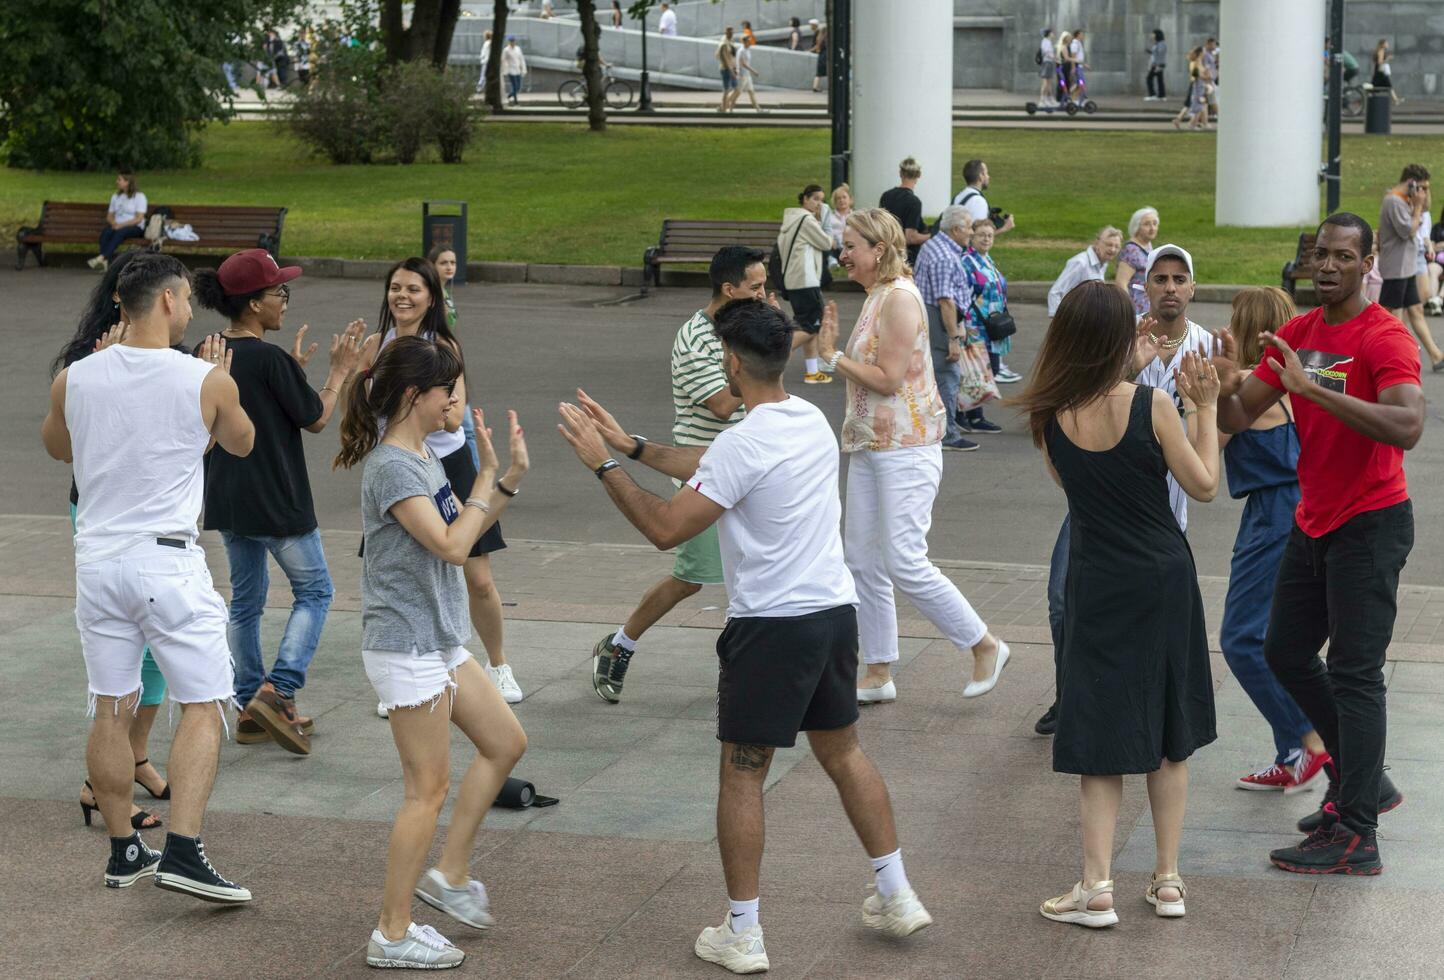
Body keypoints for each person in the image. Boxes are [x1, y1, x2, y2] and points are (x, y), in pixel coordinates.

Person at [558, 299, 934, 975]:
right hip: (832, 616)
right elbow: (715, 462)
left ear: (732, 362)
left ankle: (744, 932)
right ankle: (897, 893)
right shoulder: (807, 424)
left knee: (743, 773)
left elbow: (668, 527)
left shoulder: (744, 442)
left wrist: (602, 465)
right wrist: (633, 445)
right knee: (844, 753)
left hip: (772, 630)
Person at [42, 252, 257, 903]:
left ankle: (123, 848)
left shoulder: (75, 378)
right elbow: (241, 441)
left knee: (111, 704)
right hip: (166, 560)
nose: (190, 311)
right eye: (188, 300)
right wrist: (222, 385)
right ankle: (185, 851)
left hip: (98, 560)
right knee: (205, 699)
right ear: (167, 301)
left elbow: (60, 446)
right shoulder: (201, 378)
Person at [1214, 212, 1423, 877]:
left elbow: (1409, 424)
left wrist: (1314, 392)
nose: (1326, 267)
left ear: (1368, 266)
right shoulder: (1300, 333)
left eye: (1341, 257)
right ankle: (1368, 782)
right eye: (1318, 257)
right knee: (1283, 649)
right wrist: (1219, 391)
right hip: (1314, 520)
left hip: (1371, 523)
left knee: (1358, 673)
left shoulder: (1383, 336)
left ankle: (1357, 832)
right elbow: (1240, 415)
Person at [1016, 281, 1220, 928]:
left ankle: (1095, 886)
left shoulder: (1048, 419)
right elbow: (1205, 486)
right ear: (1117, 340)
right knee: (1169, 733)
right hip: (1162, 577)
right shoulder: (1157, 406)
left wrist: (1119, 365)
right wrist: (1206, 408)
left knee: (1101, 730)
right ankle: (1167, 882)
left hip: (1097, 578)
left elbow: (1079, 491)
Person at [334, 337, 529, 970]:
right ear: (417, 396)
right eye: (449, 389)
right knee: (426, 791)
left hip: (440, 640)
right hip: (405, 644)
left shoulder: (420, 454)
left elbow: (464, 532)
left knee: (506, 742)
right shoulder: (393, 464)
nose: (457, 398)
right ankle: (391, 933)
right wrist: (484, 485)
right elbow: (450, 545)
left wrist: (503, 486)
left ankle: (447, 872)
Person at [816, 209, 1008, 704]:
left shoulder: (899, 298)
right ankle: (878, 671)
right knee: (861, 559)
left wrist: (833, 356)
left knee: (903, 559)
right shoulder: (877, 296)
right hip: (870, 445)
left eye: (851, 245)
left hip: (907, 447)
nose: (843, 254)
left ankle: (983, 644)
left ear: (878, 249)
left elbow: (889, 379)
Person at [191, 250, 366, 755]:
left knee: (246, 602)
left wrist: (293, 371)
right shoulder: (268, 357)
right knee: (316, 592)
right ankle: (280, 687)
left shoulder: (207, 349)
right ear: (252, 303)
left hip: (226, 497)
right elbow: (315, 417)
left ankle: (250, 705)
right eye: (279, 293)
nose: (285, 301)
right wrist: (341, 372)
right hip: (278, 499)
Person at [1036, 244, 1214, 736]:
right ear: (1145, 286)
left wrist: (1212, 405)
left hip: (1164, 511)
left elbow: (1208, 464)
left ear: (1193, 287)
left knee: (1145, 610)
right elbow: (1091, 411)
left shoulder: (1207, 349)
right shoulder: (1124, 341)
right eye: (1161, 278)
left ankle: (1144, 699)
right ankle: (1072, 691)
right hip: (1103, 499)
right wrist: (1131, 367)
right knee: (1062, 599)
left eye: (1181, 279)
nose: (1170, 288)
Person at [590, 247, 768, 703]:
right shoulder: (694, 340)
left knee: (751, 576)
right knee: (692, 577)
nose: (767, 296)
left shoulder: (747, 328)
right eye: (757, 288)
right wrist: (760, 361)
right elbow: (725, 403)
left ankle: (746, 672)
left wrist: (785, 340)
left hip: (749, 467)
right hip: (699, 470)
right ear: (730, 290)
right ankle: (619, 644)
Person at [358, 259, 524, 707]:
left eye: (414, 288)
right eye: (395, 287)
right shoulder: (377, 345)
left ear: (432, 297)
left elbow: (453, 412)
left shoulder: (441, 345)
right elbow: (361, 408)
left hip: (448, 464)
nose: (403, 296)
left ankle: (498, 663)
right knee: (400, 568)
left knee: (478, 576)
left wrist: (416, 396)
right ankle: (403, 667)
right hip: (400, 462)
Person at [53, 251, 170, 833]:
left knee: (155, 656)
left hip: (153, 516)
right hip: (105, 516)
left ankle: (135, 758)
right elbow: (66, 444)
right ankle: (100, 783)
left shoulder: (165, 355)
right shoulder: (88, 360)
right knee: (128, 654)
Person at [1217, 287, 1332, 793]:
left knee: (1242, 638)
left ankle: (1306, 741)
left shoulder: (1244, 385)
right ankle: (1295, 751)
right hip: (1309, 505)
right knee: (1283, 638)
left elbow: (1202, 440)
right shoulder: (1299, 379)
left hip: (1273, 512)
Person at [914, 206, 979, 453]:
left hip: (931, 318)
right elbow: (945, 301)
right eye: (969, 227)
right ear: (955, 229)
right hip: (940, 323)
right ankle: (947, 434)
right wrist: (953, 337)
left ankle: (939, 429)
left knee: (936, 376)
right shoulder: (944, 256)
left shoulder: (934, 245)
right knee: (947, 377)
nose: (971, 232)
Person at [1378, 164, 1444, 371]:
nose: (1423, 192)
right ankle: (1392, 357)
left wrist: (1421, 198)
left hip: (1406, 268)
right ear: (1410, 183)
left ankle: (1436, 356)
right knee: (1390, 316)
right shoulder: (1393, 201)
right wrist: (1416, 207)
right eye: (1421, 187)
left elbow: (1426, 208)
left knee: (1415, 310)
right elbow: (1407, 230)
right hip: (1396, 267)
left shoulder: (1408, 200)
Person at [427, 245, 481, 468]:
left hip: (453, 362)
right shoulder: (431, 296)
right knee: (465, 429)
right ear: (432, 266)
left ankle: (477, 479)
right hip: (442, 367)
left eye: (453, 262)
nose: (449, 267)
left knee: (466, 430)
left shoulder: (446, 292)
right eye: (443, 263)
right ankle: (478, 482)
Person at [779, 185, 836, 383]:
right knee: (810, 326)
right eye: (815, 199)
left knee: (810, 324)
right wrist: (826, 219)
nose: (819, 203)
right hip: (805, 280)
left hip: (795, 279)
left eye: (821, 200)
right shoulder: (806, 220)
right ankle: (775, 356)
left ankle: (812, 372)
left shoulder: (791, 219)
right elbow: (827, 243)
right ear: (804, 199)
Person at [963, 218, 1021, 386]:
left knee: (990, 372)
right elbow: (963, 297)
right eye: (981, 235)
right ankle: (970, 413)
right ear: (972, 237)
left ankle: (974, 412)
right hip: (976, 327)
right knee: (976, 375)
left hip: (993, 325)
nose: (986, 239)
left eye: (990, 235)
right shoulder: (967, 262)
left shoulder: (988, 260)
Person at [1047, 227, 1122, 317]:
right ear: (1097, 242)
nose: (1113, 249)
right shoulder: (1080, 263)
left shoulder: (1102, 263)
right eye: (1109, 245)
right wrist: (1061, 321)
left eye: (1117, 246)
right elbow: (1055, 293)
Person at [88, 172, 148, 272]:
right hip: (117, 226)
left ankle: (102, 257)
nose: (117, 182)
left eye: (119, 180)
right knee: (106, 232)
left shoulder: (139, 197)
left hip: (135, 227)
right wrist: (114, 224)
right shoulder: (116, 196)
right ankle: (105, 262)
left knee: (120, 232)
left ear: (127, 182)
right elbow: (109, 216)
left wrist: (121, 225)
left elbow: (139, 218)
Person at [879, 157, 931, 265]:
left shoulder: (886, 196)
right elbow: (910, 237)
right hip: (905, 259)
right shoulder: (914, 202)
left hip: (886, 254)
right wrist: (931, 236)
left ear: (900, 173)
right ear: (919, 175)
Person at [952, 159, 1015, 235]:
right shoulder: (978, 201)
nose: (989, 177)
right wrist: (1005, 228)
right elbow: (978, 237)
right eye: (986, 173)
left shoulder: (959, 196)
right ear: (980, 176)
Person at [1117, 207, 1160, 315]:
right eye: (1147, 224)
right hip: (1135, 308)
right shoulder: (1131, 249)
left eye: (1155, 224)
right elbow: (1121, 283)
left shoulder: (1148, 246)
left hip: (1147, 305)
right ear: (1136, 227)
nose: (1152, 228)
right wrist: (1128, 309)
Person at [733, 33, 764, 112]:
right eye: (749, 41)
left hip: (747, 75)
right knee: (737, 92)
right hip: (742, 75)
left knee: (751, 92)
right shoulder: (741, 51)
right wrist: (753, 71)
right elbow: (743, 64)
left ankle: (758, 109)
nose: (750, 42)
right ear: (744, 42)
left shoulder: (747, 49)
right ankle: (725, 106)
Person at [823, 183, 852, 262]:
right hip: (835, 247)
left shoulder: (855, 216)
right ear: (835, 201)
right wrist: (831, 239)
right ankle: (832, 260)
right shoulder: (829, 217)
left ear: (850, 199)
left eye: (844, 197)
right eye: (838, 198)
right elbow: (826, 231)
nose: (841, 200)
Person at [1372, 38, 1401, 105]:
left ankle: (1396, 99)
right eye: (1386, 43)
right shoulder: (1381, 51)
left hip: (1378, 71)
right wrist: (1388, 59)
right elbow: (1380, 62)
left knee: (1376, 87)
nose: (1387, 44)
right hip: (1381, 72)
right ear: (1383, 44)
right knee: (1387, 85)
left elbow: (1376, 63)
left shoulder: (1379, 51)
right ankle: (1396, 99)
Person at [716, 27, 739, 113]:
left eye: (732, 33)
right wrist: (732, 71)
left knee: (736, 89)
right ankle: (724, 110)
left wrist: (735, 68)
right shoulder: (724, 44)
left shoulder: (731, 41)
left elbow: (732, 57)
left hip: (732, 68)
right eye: (729, 33)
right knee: (726, 90)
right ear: (726, 33)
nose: (731, 34)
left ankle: (722, 106)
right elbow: (725, 60)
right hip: (726, 69)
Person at [501, 37, 527, 105]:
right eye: (511, 41)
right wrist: (504, 69)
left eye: (513, 41)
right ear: (509, 42)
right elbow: (503, 60)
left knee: (518, 87)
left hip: (518, 70)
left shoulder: (518, 49)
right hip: (511, 70)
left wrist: (523, 68)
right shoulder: (506, 50)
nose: (512, 42)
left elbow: (521, 59)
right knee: (514, 85)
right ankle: (516, 101)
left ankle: (509, 96)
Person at [1038, 29, 1058, 107]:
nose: (1053, 34)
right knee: (1045, 82)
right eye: (1052, 33)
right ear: (1049, 34)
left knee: (1049, 82)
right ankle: (1042, 100)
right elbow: (1047, 52)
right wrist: (1054, 58)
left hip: (1049, 62)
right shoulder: (1045, 41)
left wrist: (1054, 57)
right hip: (1047, 62)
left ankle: (1049, 99)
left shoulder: (1048, 41)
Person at [1145, 29, 1167, 100]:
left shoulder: (1161, 43)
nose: (1152, 35)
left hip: (1157, 64)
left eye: (1153, 34)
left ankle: (1152, 95)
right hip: (1158, 64)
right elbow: (1157, 53)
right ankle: (1161, 95)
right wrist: (1150, 52)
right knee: (1159, 80)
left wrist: (1156, 64)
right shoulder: (1158, 43)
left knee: (1149, 78)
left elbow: (1160, 54)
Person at [1067, 29, 1087, 102]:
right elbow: (1073, 56)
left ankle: (1076, 98)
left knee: (1080, 84)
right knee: (1081, 84)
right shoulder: (1075, 44)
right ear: (1078, 35)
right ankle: (1073, 98)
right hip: (1077, 68)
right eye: (1082, 34)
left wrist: (1084, 64)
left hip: (1080, 67)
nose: (1083, 36)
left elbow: (1079, 57)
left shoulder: (1078, 43)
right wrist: (1073, 67)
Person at [811, 24, 827, 93]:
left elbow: (817, 47)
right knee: (830, 71)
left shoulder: (819, 38)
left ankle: (815, 87)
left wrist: (810, 50)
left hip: (821, 55)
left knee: (819, 73)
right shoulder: (826, 38)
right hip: (826, 55)